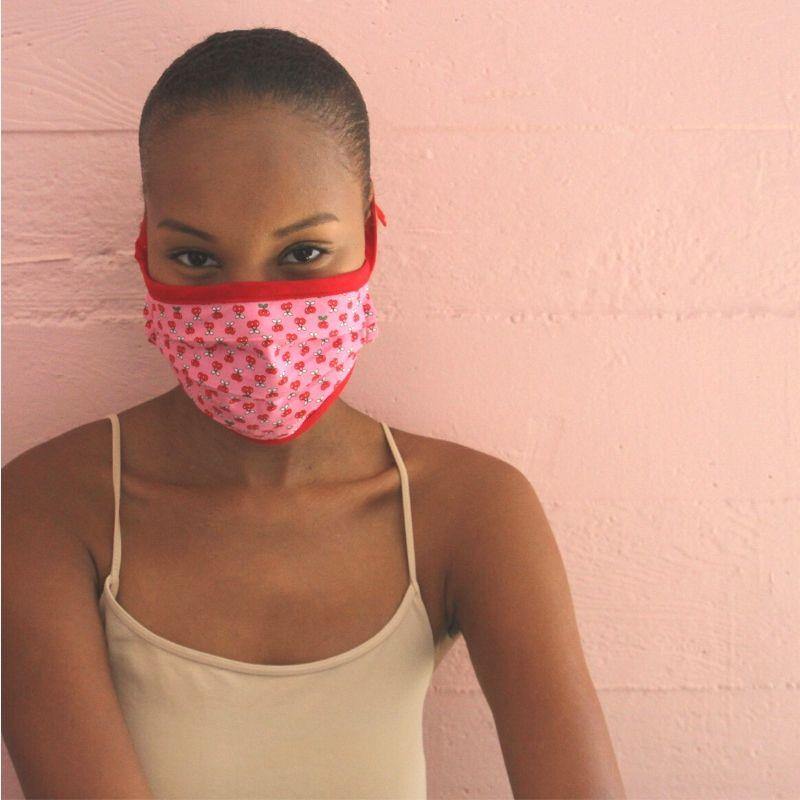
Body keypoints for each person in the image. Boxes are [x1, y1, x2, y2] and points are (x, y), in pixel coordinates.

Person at [1, 27, 626, 800]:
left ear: (367, 240)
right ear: (144, 253)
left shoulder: (471, 509)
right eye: (197, 258)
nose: (256, 318)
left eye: (301, 255)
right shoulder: (45, 506)